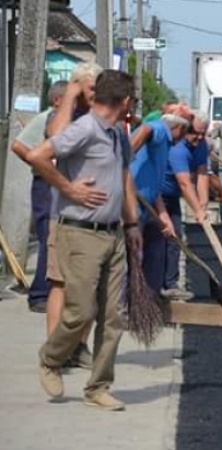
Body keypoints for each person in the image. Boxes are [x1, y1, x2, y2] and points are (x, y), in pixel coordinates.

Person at [29, 69, 141, 411]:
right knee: (80, 311)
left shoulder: (115, 135)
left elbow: (122, 181)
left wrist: (132, 224)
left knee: (113, 317)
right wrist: (68, 188)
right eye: (130, 101)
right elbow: (38, 156)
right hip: (79, 233)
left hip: (113, 234)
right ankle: (51, 358)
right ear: (123, 102)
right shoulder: (86, 129)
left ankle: (98, 387)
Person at [11, 81, 68, 314]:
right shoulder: (45, 119)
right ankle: (39, 295)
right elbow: (19, 146)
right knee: (47, 237)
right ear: (57, 100)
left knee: (57, 239)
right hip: (45, 184)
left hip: (59, 184)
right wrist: (42, 166)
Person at [130, 106, 191, 299]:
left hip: (149, 205)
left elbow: (155, 187)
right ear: (178, 129)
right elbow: (146, 130)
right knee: (134, 256)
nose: (181, 141)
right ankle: (130, 302)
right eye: (183, 135)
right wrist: (126, 156)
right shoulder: (161, 129)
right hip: (133, 206)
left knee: (156, 248)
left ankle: (150, 297)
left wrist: (165, 217)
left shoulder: (166, 146)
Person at [156, 111, 210, 297]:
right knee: (160, 238)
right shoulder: (178, 149)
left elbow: (202, 174)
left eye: (204, 133)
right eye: (196, 132)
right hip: (157, 196)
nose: (200, 137)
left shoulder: (202, 145)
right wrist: (196, 209)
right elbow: (185, 183)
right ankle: (154, 285)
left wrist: (203, 204)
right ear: (187, 128)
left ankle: (170, 284)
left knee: (176, 237)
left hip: (172, 197)